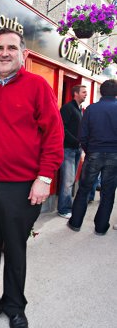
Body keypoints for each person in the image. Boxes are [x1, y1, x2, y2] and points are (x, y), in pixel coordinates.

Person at [0, 28, 64, 328]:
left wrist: (44, 178)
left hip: (22, 187)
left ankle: (14, 307)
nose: (5, 53)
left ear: (23, 54)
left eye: (11, 47)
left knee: (14, 249)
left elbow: (54, 135)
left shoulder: (38, 86)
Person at [67, 79, 117, 235]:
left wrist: (90, 151)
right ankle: (101, 227)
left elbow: (83, 135)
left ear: (101, 92)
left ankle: (75, 223)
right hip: (114, 155)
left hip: (94, 153)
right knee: (108, 193)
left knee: (84, 189)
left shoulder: (91, 109)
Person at [57, 85, 87, 218]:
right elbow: (61, 128)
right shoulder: (68, 108)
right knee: (68, 181)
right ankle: (63, 209)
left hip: (76, 149)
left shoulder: (79, 109)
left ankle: (67, 206)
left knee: (71, 180)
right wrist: (76, 141)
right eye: (83, 92)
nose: (86, 94)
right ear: (75, 93)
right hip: (67, 149)